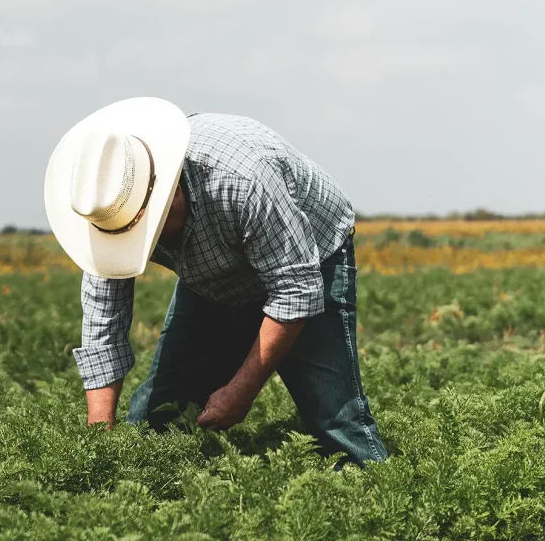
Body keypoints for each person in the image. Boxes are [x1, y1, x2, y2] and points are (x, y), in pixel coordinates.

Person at [44, 97, 387, 467]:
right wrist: (101, 446)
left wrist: (242, 391)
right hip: (210, 274)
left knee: (334, 420)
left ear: (169, 191)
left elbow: (295, 291)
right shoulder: (105, 207)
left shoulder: (243, 180)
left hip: (311, 257)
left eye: (150, 228)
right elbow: (102, 331)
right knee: (157, 419)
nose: (149, 240)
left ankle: (371, 479)